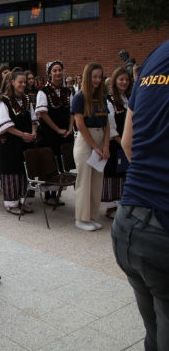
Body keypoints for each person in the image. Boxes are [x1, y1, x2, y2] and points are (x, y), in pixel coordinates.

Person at [112, 39, 169, 351]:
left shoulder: (157, 54)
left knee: (155, 333)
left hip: (129, 221)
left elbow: (129, 141)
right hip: (163, 230)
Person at [71, 63, 110, 231]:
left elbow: (107, 123)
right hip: (86, 142)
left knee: (96, 181)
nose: (97, 80)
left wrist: (106, 145)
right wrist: (95, 146)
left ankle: (93, 216)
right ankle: (81, 218)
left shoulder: (102, 97)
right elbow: (80, 125)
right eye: (94, 76)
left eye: (100, 76)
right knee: (84, 180)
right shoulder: (79, 97)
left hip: (100, 139)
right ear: (88, 77)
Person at [0, 71, 38, 215]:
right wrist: (22, 135)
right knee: (12, 171)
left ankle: (23, 201)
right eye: (20, 82)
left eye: (25, 82)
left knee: (23, 171)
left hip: (25, 142)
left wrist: (32, 133)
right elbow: (3, 125)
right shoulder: (4, 100)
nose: (23, 84)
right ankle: (11, 203)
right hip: (10, 144)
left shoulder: (26, 98)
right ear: (12, 82)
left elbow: (33, 118)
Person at [35, 61, 74, 206]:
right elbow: (43, 113)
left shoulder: (68, 91)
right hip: (50, 133)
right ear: (49, 73)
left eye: (60, 70)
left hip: (65, 132)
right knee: (49, 162)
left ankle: (56, 193)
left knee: (60, 161)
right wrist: (57, 129)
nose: (58, 73)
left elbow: (72, 111)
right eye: (54, 71)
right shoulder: (43, 91)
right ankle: (48, 195)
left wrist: (70, 128)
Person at [102, 67, 131, 219]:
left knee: (124, 173)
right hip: (115, 143)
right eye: (121, 79)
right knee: (114, 173)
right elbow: (111, 126)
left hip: (127, 143)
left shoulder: (128, 98)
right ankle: (111, 208)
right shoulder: (109, 99)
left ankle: (121, 204)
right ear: (114, 81)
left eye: (127, 79)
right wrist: (123, 143)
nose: (124, 82)